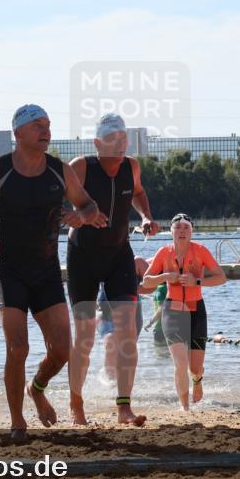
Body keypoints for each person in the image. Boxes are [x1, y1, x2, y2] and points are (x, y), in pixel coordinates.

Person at [0, 104, 101, 441]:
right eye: (37, 125)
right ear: (17, 133)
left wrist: (82, 216)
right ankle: (18, 422)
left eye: (48, 124)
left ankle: (37, 388)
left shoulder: (60, 171)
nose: (45, 130)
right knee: (18, 347)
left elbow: (89, 204)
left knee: (62, 348)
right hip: (8, 269)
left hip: (46, 269)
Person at [66, 113, 159, 426]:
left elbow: (138, 192)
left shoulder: (131, 166)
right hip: (83, 257)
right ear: (97, 143)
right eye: (111, 140)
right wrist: (78, 216)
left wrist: (145, 217)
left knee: (127, 331)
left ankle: (124, 407)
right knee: (84, 337)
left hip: (119, 254)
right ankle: (76, 404)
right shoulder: (81, 167)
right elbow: (60, 206)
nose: (119, 145)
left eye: (123, 139)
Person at [142, 213, 227, 410]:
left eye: (186, 228)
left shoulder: (200, 251)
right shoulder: (164, 252)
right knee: (180, 364)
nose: (182, 231)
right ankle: (184, 408)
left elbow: (221, 277)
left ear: (191, 232)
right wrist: (164, 276)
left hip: (196, 310)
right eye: (177, 227)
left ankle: (197, 381)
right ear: (171, 231)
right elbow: (146, 281)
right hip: (172, 311)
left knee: (194, 369)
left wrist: (196, 281)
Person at [94, 256, 151, 380]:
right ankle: (108, 384)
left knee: (125, 351)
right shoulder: (99, 259)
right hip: (104, 310)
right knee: (111, 343)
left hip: (132, 312)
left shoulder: (137, 262)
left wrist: (129, 290)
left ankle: (121, 387)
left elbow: (152, 286)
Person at [143, 281, 169, 346]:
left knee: (160, 353)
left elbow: (161, 309)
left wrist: (150, 323)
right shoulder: (173, 289)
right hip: (174, 327)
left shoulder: (160, 289)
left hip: (160, 329)